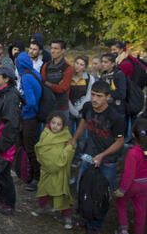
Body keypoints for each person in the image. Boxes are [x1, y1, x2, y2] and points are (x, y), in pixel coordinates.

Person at [69, 80, 124, 234]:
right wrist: (74, 139)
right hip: (88, 156)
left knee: (101, 195)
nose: (94, 99)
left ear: (107, 97)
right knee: (82, 188)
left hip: (107, 162)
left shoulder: (116, 117)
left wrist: (102, 155)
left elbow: (120, 142)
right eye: (93, 95)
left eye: (99, 96)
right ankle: (85, 216)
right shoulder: (88, 107)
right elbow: (84, 122)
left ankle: (96, 226)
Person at [0, 65, 22, 215]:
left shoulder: (10, 97)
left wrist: (1, 145)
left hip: (3, 144)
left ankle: (9, 203)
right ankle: (1, 198)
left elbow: (11, 124)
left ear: (6, 79)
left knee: (4, 174)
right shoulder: (0, 93)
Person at [31, 111, 74, 230]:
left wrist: (68, 149)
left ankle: (67, 216)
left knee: (61, 192)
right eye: (53, 123)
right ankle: (41, 206)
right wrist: (49, 161)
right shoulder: (45, 133)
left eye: (58, 124)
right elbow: (40, 149)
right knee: (44, 188)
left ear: (63, 126)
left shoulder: (66, 137)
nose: (55, 126)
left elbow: (70, 151)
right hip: (46, 169)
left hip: (60, 171)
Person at [114, 118, 147, 234]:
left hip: (132, 185)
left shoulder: (132, 153)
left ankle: (123, 230)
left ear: (133, 134)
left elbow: (129, 174)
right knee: (141, 210)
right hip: (145, 185)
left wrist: (122, 190)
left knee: (121, 204)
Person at [16, 52, 43, 191]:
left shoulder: (26, 77)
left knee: (30, 147)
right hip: (34, 117)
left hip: (30, 117)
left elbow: (31, 102)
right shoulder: (34, 73)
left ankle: (36, 178)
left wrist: (23, 111)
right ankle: (26, 172)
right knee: (28, 146)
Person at [69, 55, 94, 166]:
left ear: (85, 67)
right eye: (77, 63)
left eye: (81, 64)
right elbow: (65, 95)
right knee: (68, 134)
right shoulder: (68, 76)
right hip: (69, 110)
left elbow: (89, 95)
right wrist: (72, 109)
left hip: (83, 112)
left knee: (81, 136)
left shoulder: (89, 78)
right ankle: (68, 156)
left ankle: (78, 157)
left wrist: (79, 109)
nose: (78, 66)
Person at [40, 39, 74, 118]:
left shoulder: (68, 67)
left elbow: (62, 88)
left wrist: (49, 84)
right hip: (48, 104)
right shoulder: (46, 65)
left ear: (63, 51)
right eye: (51, 48)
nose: (52, 51)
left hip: (61, 106)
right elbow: (42, 82)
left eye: (56, 48)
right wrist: (55, 84)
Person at [100, 53, 126, 117]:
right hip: (105, 109)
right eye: (102, 62)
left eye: (106, 62)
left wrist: (107, 93)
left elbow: (122, 94)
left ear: (113, 64)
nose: (103, 64)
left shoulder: (119, 75)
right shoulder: (103, 75)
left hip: (117, 110)